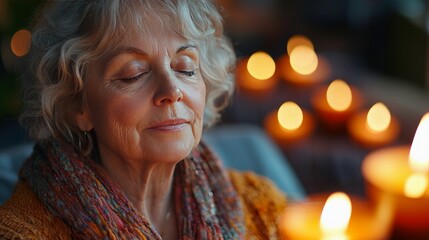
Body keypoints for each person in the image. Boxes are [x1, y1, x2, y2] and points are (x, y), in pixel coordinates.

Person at [0, 0, 287, 239]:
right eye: (133, 73)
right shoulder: (23, 233)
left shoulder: (261, 209)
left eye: (185, 68)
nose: (172, 91)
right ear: (78, 104)